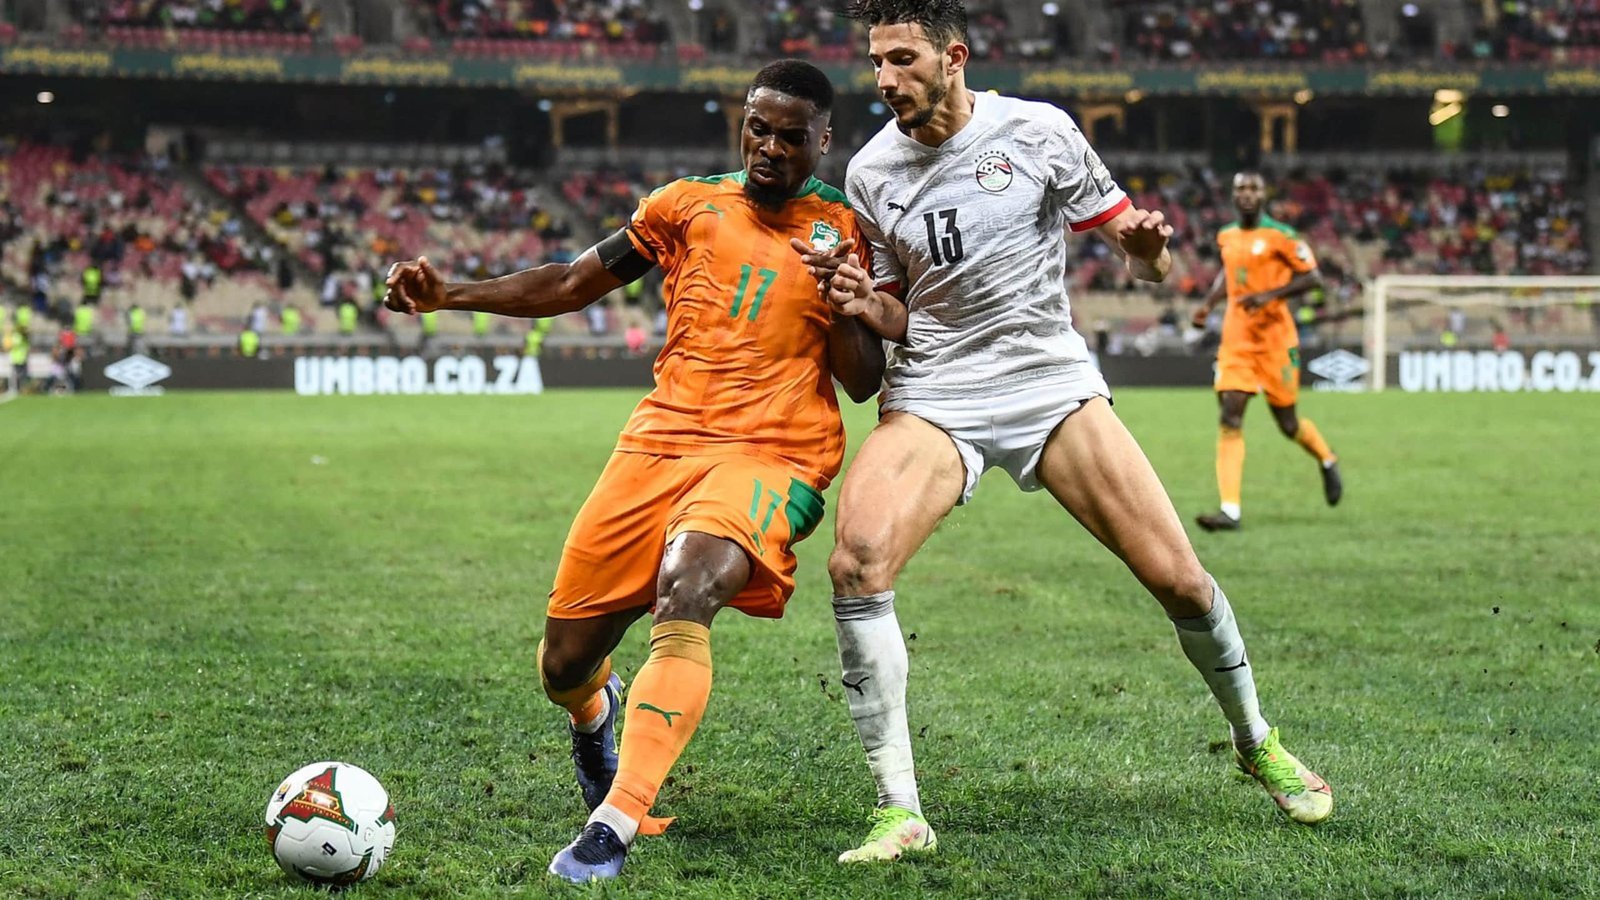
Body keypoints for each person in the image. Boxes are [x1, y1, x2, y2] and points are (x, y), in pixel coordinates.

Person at [810, 1, 1334, 862]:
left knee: (1182, 582)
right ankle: (899, 808)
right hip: (937, 386)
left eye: (902, 60)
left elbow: (1147, 253)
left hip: (1047, 380)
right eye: (875, 63)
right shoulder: (870, 174)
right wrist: (867, 304)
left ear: (954, 57)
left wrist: (1148, 248)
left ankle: (1256, 742)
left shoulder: (1039, 131)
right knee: (856, 561)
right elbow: (896, 311)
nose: (883, 80)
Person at [384, 60, 884, 884]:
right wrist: (450, 296)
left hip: (773, 454)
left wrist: (845, 302)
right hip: (656, 445)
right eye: (757, 129)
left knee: (688, 586)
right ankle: (595, 714)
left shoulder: (846, 230)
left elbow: (862, 380)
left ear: (824, 141)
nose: (768, 148)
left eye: (791, 137)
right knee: (563, 664)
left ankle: (614, 820)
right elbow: (574, 282)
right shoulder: (685, 205)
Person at [1190, 172, 1341, 531]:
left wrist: (1270, 296)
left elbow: (1313, 277)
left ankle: (1327, 459)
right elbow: (1227, 275)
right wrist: (1208, 305)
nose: (1246, 194)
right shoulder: (1226, 235)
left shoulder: (1282, 237)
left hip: (1275, 341)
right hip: (1237, 339)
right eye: (1240, 188)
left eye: (1253, 188)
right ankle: (1230, 510)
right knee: (1230, 415)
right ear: (1233, 194)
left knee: (1288, 424)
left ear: (1264, 195)